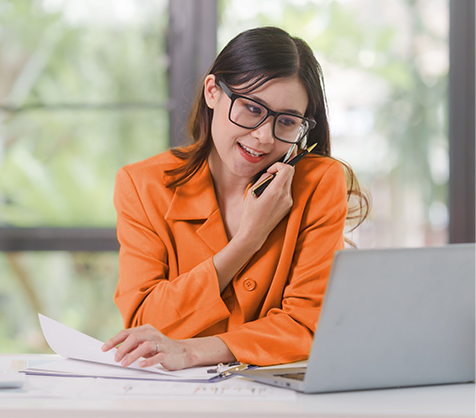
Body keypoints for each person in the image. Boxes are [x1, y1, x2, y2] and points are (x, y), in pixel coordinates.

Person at [101, 26, 369, 371]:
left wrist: (193, 351)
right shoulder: (144, 184)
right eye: (251, 109)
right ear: (213, 92)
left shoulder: (318, 183)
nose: (263, 137)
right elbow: (145, 322)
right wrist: (247, 241)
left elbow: (308, 326)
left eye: (286, 122)